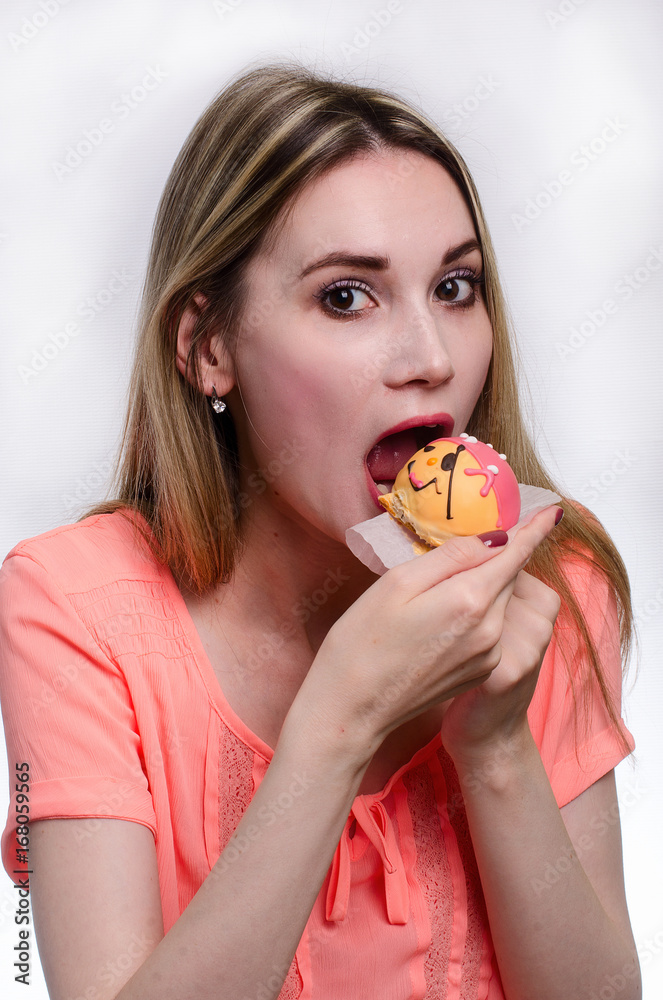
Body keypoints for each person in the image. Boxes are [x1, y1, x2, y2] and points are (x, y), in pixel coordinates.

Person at [0, 60, 641, 1000]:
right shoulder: (71, 611)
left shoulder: (554, 574)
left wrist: (495, 746)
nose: (429, 359)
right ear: (207, 346)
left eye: (456, 288)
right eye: (347, 296)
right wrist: (339, 722)